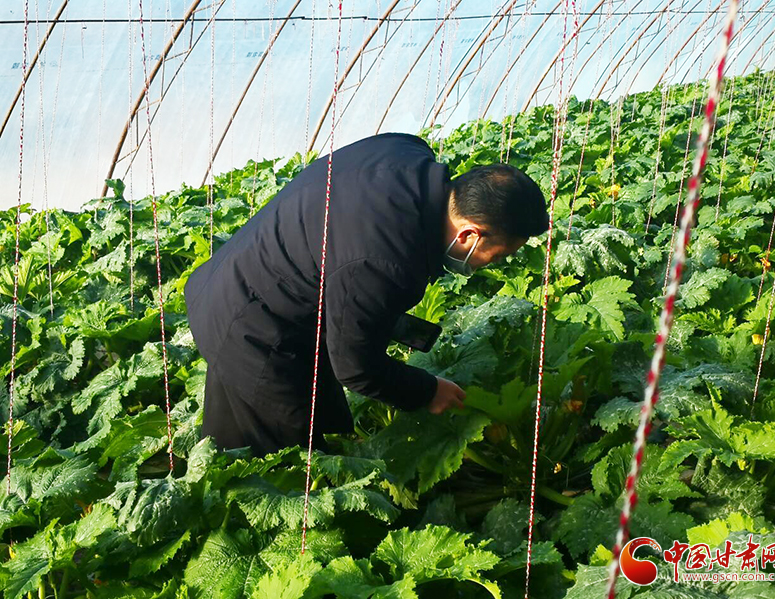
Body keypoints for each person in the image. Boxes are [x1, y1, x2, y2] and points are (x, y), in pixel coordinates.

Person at [184, 132, 548, 457]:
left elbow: (347, 274)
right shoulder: (387, 260)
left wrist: (402, 329)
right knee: (282, 462)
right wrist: (426, 390)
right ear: (470, 234)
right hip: (252, 329)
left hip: (237, 282)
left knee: (235, 438)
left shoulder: (407, 150)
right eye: (499, 255)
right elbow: (356, 368)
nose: (494, 264)